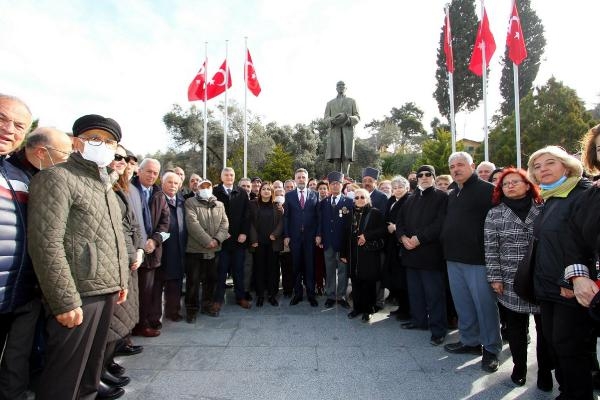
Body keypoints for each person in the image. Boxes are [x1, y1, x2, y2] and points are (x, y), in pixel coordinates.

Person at [28, 114, 129, 400]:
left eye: (110, 142)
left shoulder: (104, 183)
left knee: (88, 376)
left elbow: (113, 236)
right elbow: (45, 243)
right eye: (95, 138)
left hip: (105, 289)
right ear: (76, 142)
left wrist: (121, 279)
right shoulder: (57, 177)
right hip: (78, 294)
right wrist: (64, 300)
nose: (103, 145)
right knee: (65, 379)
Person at [527, 145, 594, 399]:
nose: (542, 169)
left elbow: (584, 243)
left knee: (571, 348)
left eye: (550, 163)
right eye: (537, 166)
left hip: (570, 288)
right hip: (547, 288)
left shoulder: (582, 194)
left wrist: (571, 280)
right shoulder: (551, 197)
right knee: (555, 345)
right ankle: (566, 391)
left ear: (566, 166)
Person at [483, 167, 553, 389]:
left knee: (545, 330)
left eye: (515, 182)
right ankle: (519, 368)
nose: (510, 186)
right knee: (516, 329)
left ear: (528, 184)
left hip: (541, 276)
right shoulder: (495, 213)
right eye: (505, 184)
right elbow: (491, 248)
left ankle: (545, 372)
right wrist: (495, 277)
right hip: (511, 279)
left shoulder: (544, 207)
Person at [441, 151, 502, 373]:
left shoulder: (488, 190)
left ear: (472, 166)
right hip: (453, 258)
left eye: (460, 164)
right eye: (452, 167)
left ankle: (491, 349)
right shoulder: (452, 193)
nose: (456, 169)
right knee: (463, 304)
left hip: (478, 260)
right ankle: (470, 341)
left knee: (485, 307)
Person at [99, 145, 145, 399]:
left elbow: (132, 224)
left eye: (125, 159)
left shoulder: (121, 186)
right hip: (112, 262)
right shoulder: (102, 184)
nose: (122, 162)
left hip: (129, 260)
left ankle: (105, 366)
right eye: (116, 157)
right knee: (108, 322)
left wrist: (138, 249)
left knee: (117, 320)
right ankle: (96, 375)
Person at [0, 94, 36, 400]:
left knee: (15, 367)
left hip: (21, 294)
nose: (9, 129)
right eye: (2, 119)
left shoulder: (20, 176)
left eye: (19, 125)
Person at [396, 166, 448, 346]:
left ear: (433, 177)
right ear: (416, 178)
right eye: (420, 175)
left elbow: (440, 223)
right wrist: (403, 238)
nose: (424, 177)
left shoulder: (442, 197)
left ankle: (438, 330)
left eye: (428, 175)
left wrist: (419, 238)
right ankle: (419, 321)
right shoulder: (410, 198)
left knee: (434, 295)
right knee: (415, 292)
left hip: (430, 254)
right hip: (410, 254)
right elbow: (399, 221)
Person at [131, 158, 170, 337]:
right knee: (130, 293)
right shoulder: (128, 189)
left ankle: (143, 324)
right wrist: (139, 243)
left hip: (151, 252)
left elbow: (165, 222)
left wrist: (154, 241)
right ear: (139, 171)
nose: (152, 175)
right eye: (149, 171)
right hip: (131, 250)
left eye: (155, 173)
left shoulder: (159, 194)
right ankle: (129, 328)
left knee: (147, 291)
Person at [184, 179, 229, 322]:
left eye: (208, 186)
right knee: (193, 281)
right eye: (202, 187)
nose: (205, 189)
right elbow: (192, 224)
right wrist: (207, 241)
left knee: (211, 280)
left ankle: (207, 305)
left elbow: (225, 224)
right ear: (197, 189)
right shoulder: (190, 202)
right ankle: (191, 310)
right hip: (195, 250)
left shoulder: (219, 204)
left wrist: (217, 240)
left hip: (214, 249)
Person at [340, 189, 387, 322]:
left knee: (368, 283)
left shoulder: (375, 213)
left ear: (368, 199)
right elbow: (345, 234)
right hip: (353, 253)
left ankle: (368, 310)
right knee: (355, 281)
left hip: (368, 253)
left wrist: (367, 236)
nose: (359, 199)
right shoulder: (350, 213)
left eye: (362, 197)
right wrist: (343, 253)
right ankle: (357, 308)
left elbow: (383, 230)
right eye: (357, 197)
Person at [213, 167, 251, 312]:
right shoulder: (215, 192)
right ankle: (218, 300)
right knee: (221, 271)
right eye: (226, 175)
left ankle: (240, 297)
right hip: (221, 240)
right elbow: (212, 216)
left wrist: (244, 233)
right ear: (221, 177)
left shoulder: (241, 192)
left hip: (238, 240)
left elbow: (247, 215)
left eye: (232, 175)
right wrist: (221, 233)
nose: (229, 177)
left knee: (238, 271)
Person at [316, 171, 353, 309]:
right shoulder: (323, 202)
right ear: (329, 186)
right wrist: (319, 235)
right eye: (332, 184)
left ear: (342, 185)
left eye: (337, 183)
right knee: (330, 270)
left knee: (343, 270)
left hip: (342, 243)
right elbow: (320, 221)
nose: (335, 186)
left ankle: (341, 296)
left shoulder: (349, 202)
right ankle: (331, 295)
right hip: (328, 242)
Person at [284, 168, 319, 307]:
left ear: (307, 179)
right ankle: (297, 294)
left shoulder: (315, 194)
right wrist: (286, 235)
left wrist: (318, 234)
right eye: (298, 177)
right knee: (296, 266)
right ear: (295, 179)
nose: (301, 179)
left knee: (310, 266)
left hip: (311, 237)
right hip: (295, 237)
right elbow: (286, 217)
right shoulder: (289, 196)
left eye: (303, 177)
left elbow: (318, 217)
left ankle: (311, 294)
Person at [249, 181, 283, 307]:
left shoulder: (277, 206)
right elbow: (250, 223)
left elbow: (282, 222)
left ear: (272, 192)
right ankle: (260, 295)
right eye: (264, 189)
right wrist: (253, 239)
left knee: (273, 269)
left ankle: (272, 295)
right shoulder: (253, 204)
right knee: (259, 269)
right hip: (258, 243)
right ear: (260, 191)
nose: (266, 191)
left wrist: (276, 234)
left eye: (269, 189)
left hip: (273, 242)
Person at [159, 171, 187, 322]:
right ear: (162, 183)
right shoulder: (158, 199)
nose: (173, 185)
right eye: (169, 182)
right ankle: (154, 316)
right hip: (160, 247)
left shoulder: (181, 201)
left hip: (178, 247)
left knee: (176, 281)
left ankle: (173, 310)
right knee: (157, 284)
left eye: (176, 183)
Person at [383, 176, 410, 320]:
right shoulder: (391, 200)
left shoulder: (409, 200)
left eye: (400, 187)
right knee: (396, 277)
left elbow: (411, 221)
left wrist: (396, 227)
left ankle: (407, 310)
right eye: (395, 188)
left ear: (407, 188)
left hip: (402, 243)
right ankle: (401, 307)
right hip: (391, 243)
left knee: (403, 278)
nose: (397, 190)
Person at [324, 81, 360, 173]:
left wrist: (347, 119)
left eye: (343, 85)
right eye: (339, 85)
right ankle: (336, 177)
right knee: (336, 156)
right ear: (336, 88)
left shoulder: (352, 101)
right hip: (335, 132)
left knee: (346, 156)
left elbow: (357, 117)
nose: (341, 87)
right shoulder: (330, 103)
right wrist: (333, 120)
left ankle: (346, 176)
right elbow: (325, 119)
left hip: (348, 132)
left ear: (346, 88)